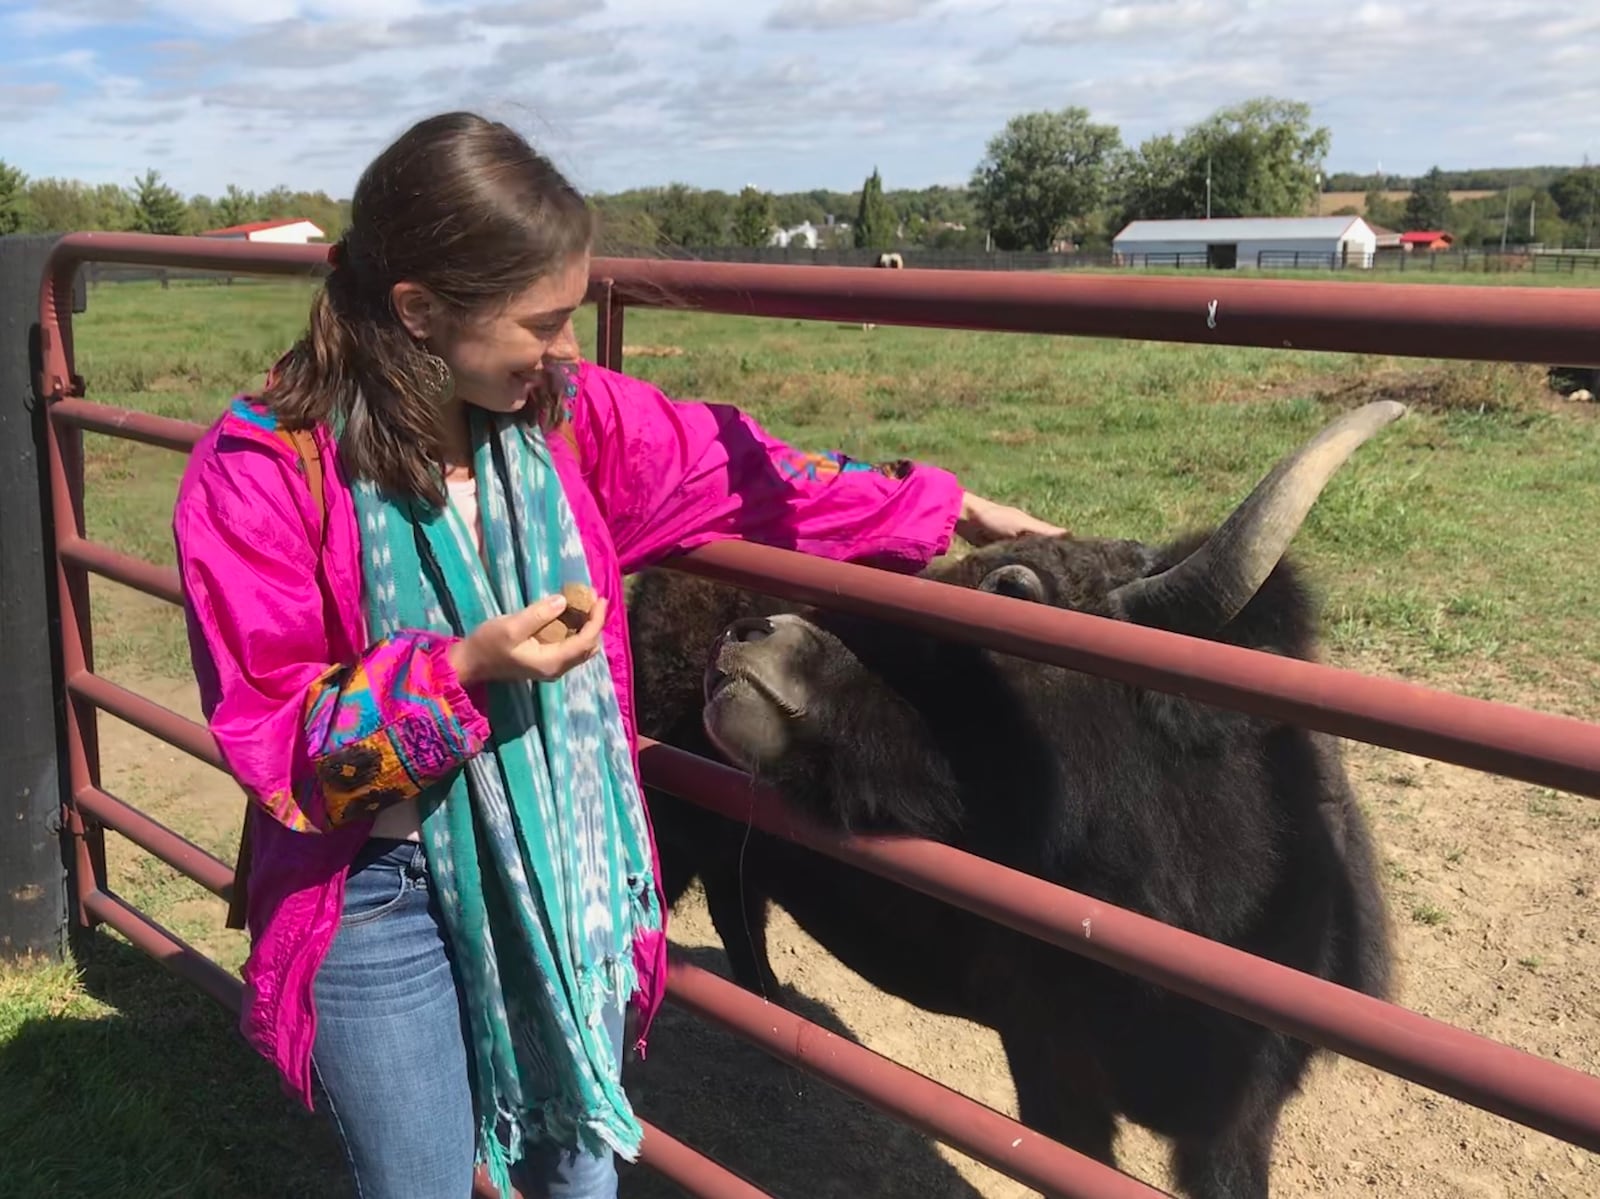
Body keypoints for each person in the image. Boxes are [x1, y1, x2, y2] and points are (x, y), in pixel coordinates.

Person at [173, 110, 1064, 1199]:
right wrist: (460, 671)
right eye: (541, 322)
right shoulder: (261, 469)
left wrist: (938, 502)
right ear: (417, 312)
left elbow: (744, 472)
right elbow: (280, 740)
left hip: (568, 862)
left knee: (578, 1172)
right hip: (375, 891)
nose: (567, 350)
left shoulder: (569, 423)